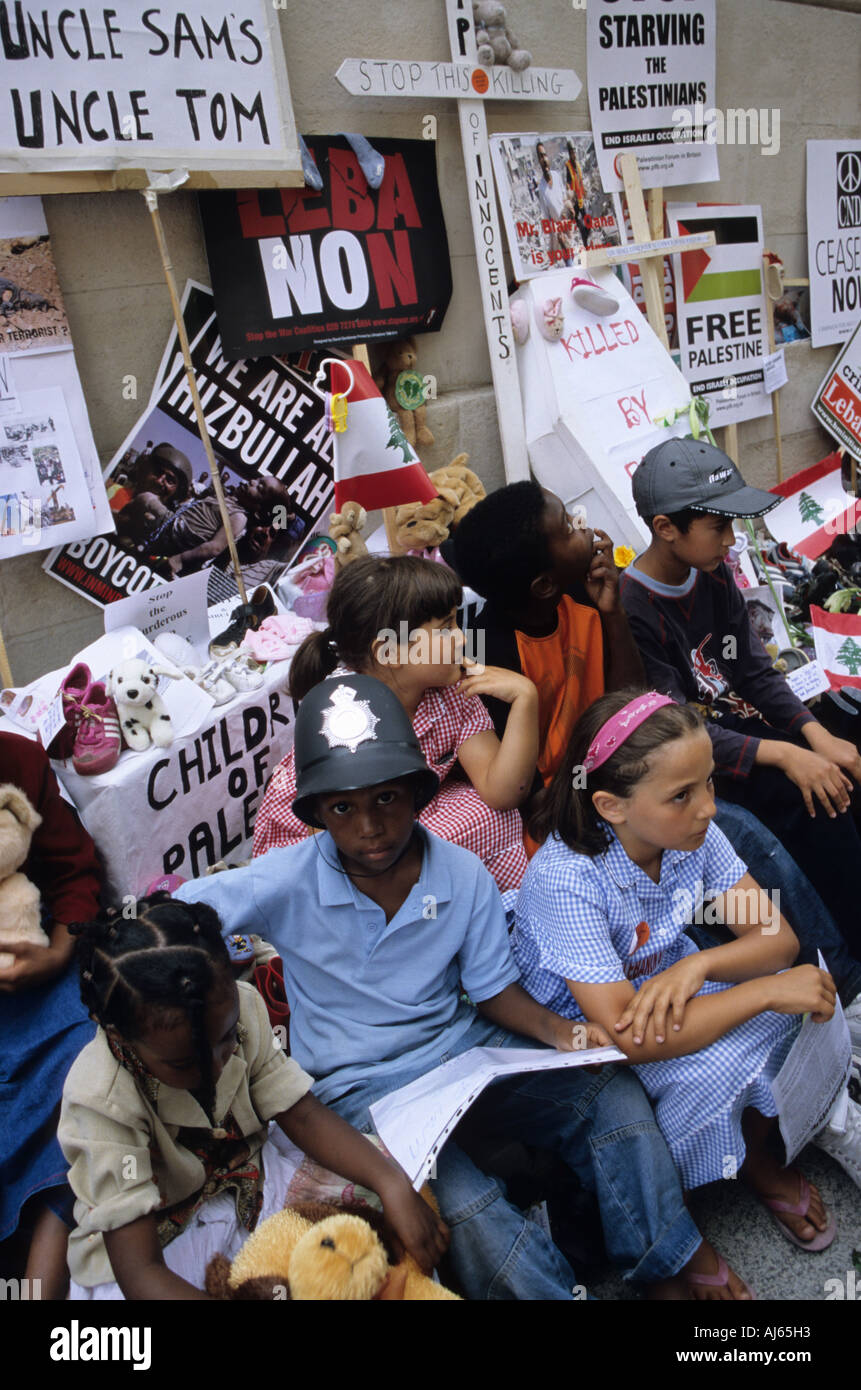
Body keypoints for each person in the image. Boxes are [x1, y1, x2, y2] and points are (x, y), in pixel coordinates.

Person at [177, 672, 754, 1299]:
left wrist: (558, 1029)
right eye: (343, 808)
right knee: (466, 1205)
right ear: (316, 813)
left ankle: (662, 1260)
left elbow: (492, 992)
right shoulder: (282, 880)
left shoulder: (460, 873)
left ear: (419, 794)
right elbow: (179, 912)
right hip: (359, 1087)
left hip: (464, 1051)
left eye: (388, 799)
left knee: (607, 1093)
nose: (370, 826)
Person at [515, 689, 861, 1252]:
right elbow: (628, 1034)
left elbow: (775, 937)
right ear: (611, 806)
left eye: (709, 783)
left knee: (801, 1008)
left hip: (659, 982)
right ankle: (750, 1162)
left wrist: (702, 963)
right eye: (682, 794)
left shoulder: (692, 831)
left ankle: (758, 1145)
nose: (707, 806)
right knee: (735, 1047)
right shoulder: (566, 880)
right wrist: (764, 993)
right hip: (590, 1028)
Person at [58, 892, 446, 1300]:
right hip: (161, 1237)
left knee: (387, 1203)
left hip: (253, 1177)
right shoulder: (100, 1099)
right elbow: (141, 1272)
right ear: (121, 1037)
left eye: (226, 1039)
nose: (216, 1064)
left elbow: (303, 1116)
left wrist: (391, 1184)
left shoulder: (240, 1006)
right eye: (184, 1062)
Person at [620, 437, 861, 1049]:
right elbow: (678, 733)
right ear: (666, 528)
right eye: (719, 524)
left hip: (745, 732)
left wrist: (814, 736)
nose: (731, 541)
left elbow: (753, 671)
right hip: (696, 767)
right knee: (805, 811)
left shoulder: (714, 575)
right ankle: (844, 983)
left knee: (844, 756)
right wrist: (786, 754)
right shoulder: (632, 609)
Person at [253, 554, 538, 892]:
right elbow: (341, 839)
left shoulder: (448, 691)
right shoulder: (343, 716)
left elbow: (503, 793)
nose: (462, 639)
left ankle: (499, 915)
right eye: (445, 627)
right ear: (390, 651)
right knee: (418, 854)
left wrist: (525, 699)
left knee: (492, 816)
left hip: (398, 812)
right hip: (330, 844)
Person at [452, 481, 643, 848]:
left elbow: (632, 704)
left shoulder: (586, 593)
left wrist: (613, 613)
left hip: (615, 768)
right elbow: (530, 801)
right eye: (569, 527)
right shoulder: (483, 655)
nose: (584, 526)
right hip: (557, 817)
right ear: (543, 586)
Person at [0, 732, 101, 1300]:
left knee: (86, 1075)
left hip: (35, 978)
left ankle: (42, 1281)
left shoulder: (16, 759)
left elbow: (73, 874)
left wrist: (60, 952)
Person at [110, 442, 192, 528]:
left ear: (177, 492)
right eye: (158, 472)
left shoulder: (167, 527)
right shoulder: (117, 491)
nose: (159, 481)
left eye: (170, 480)